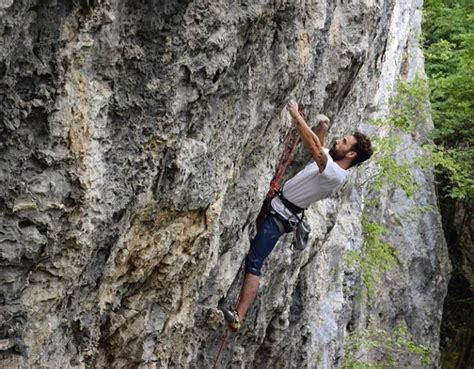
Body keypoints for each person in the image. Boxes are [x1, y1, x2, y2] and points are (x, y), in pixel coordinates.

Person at [221, 100, 373, 330]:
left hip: (280, 216)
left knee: (254, 261)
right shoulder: (331, 165)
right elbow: (319, 150)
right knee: (253, 254)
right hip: (278, 206)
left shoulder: (336, 174)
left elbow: (314, 149)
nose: (338, 140)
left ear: (351, 153)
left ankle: (238, 316)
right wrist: (322, 128)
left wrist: (296, 117)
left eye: (344, 141)